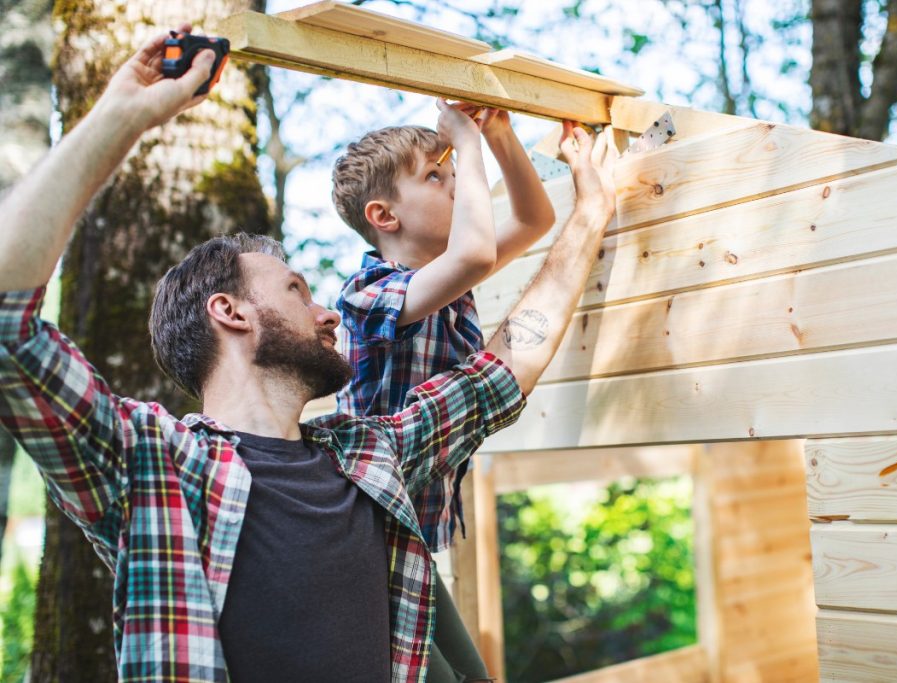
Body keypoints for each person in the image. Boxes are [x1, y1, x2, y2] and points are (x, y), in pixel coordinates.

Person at [0, 26, 617, 683]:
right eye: (296, 290)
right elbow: (10, 328)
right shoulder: (153, 466)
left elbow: (502, 371)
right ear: (230, 312)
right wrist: (123, 115)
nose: (327, 311)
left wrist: (592, 211)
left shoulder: (368, 458)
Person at [331, 98, 556, 682]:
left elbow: (534, 220)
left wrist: (501, 137)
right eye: (436, 176)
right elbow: (477, 251)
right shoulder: (367, 296)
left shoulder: (451, 284)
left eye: (454, 174)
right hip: (355, 546)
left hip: (403, 546)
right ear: (384, 215)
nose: (456, 186)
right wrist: (467, 142)